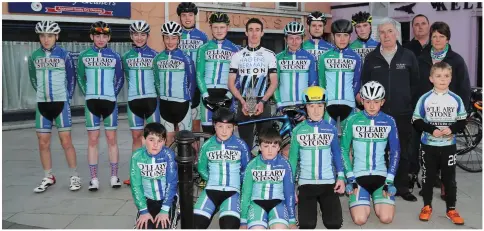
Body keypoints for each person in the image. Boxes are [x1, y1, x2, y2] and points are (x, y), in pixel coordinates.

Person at [361, 17, 419, 202]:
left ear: (396, 34)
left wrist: (411, 107)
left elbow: (415, 84)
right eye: (383, 32)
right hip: (378, 115)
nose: (386, 35)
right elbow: (365, 84)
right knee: (379, 151)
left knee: (401, 151)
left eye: (390, 31)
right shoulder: (371, 58)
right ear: (378, 35)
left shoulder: (408, 56)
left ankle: (402, 187)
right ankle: (380, 186)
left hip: (403, 114)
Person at [416, 22, 471, 198]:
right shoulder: (421, 57)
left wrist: (462, 112)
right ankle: (429, 182)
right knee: (429, 149)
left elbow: (464, 87)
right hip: (428, 112)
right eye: (434, 36)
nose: (437, 39)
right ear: (430, 38)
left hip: (448, 113)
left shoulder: (456, 60)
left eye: (441, 36)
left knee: (447, 152)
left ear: (447, 38)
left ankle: (447, 185)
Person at [412, 62, 467, 225]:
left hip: (449, 146)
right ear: (431, 79)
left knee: (449, 178)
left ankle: (451, 209)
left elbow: (462, 120)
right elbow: (416, 119)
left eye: (446, 76)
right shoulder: (425, 98)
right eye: (438, 76)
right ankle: (427, 207)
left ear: (451, 79)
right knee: (428, 178)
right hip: (429, 146)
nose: (442, 79)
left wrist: (452, 128)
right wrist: (430, 129)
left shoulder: (456, 99)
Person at [29, 20, 81, 192]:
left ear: (56, 36)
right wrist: (43, 95)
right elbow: (34, 79)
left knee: (66, 141)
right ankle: (48, 176)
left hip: (61, 103)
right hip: (42, 104)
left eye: (50, 35)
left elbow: (72, 79)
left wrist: (65, 96)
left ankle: (74, 176)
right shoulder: (34, 56)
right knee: (43, 143)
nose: (46, 39)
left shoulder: (64, 55)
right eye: (42, 36)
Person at [341, 81, 400, 225]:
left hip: (382, 177)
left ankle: (375, 197)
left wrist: (390, 180)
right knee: (360, 220)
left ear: (382, 102)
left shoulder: (389, 121)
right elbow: (343, 149)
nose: (372, 106)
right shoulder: (352, 120)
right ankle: (364, 198)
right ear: (361, 101)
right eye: (367, 101)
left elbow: (395, 151)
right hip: (358, 177)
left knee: (386, 218)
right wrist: (350, 178)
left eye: (376, 101)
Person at [288, 86, 345, 229]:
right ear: (305, 107)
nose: (316, 110)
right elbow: (293, 160)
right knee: (307, 225)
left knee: (334, 224)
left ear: (325, 106)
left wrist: (341, 178)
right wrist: (290, 188)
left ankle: (324, 206)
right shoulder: (298, 131)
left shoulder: (331, 129)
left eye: (320, 106)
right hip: (306, 184)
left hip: (328, 182)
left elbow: (337, 154)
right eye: (311, 106)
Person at [77, 21, 124, 191]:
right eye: (97, 36)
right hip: (91, 103)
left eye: (104, 36)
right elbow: (80, 77)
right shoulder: (84, 55)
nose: (101, 39)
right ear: (92, 37)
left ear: (109, 38)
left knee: (112, 140)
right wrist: (87, 94)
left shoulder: (115, 56)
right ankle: (94, 178)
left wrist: (113, 94)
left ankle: (114, 176)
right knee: (93, 140)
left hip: (110, 102)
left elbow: (120, 78)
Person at [193, 108, 251, 229]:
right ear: (214, 126)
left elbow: (247, 170)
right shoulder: (207, 145)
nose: (224, 131)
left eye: (228, 127)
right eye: (220, 126)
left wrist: (237, 182)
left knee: (229, 226)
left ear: (234, 127)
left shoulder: (241, 145)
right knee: (195, 225)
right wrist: (212, 180)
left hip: (232, 192)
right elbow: (201, 168)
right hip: (211, 191)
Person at [228, 18, 278, 149]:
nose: (254, 33)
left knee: (266, 142)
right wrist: (242, 101)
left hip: (263, 100)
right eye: (250, 30)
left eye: (257, 30)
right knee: (245, 143)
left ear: (262, 33)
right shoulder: (237, 55)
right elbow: (231, 83)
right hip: (246, 98)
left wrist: (262, 102)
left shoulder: (269, 55)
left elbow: (274, 82)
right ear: (246, 32)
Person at [122, 20, 160, 186]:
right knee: (136, 137)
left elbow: (158, 79)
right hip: (133, 100)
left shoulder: (155, 55)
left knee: (155, 138)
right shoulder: (126, 57)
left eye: (142, 34)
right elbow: (127, 77)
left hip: (152, 100)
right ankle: (135, 173)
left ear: (147, 36)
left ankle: (156, 170)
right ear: (131, 36)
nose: (139, 37)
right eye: (136, 34)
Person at [239, 127, 296, 229]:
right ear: (260, 147)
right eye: (266, 146)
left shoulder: (285, 165)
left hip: (278, 203)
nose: (270, 150)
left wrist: (292, 219)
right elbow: (246, 193)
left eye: (274, 146)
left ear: (279, 147)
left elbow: (289, 193)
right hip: (256, 203)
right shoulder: (251, 165)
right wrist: (243, 221)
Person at [153, 21, 196, 146]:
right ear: (163, 38)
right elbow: (157, 81)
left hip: (182, 103)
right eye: (167, 37)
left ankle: (193, 164)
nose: (170, 41)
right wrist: (161, 96)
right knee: (168, 139)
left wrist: (188, 99)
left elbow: (192, 82)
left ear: (179, 39)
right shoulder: (157, 59)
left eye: (173, 38)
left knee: (186, 139)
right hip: (165, 103)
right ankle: (171, 165)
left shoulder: (186, 58)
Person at [196, 12, 239, 134]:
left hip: (226, 94)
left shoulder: (235, 49)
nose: (219, 30)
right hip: (207, 93)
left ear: (227, 27)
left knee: (226, 134)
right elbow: (199, 73)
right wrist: (205, 94)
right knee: (208, 134)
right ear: (210, 27)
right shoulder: (203, 48)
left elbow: (238, 77)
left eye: (222, 27)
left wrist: (230, 95)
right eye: (215, 27)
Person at [130, 123, 178, 229]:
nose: (155, 144)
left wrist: (165, 210)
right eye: (151, 140)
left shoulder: (168, 154)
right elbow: (136, 185)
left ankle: (174, 212)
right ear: (143, 140)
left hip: (167, 199)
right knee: (144, 226)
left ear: (165, 142)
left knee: (163, 226)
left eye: (159, 141)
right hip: (147, 199)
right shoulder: (137, 156)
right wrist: (143, 210)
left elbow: (172, 183)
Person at [405, 14, 432, 193]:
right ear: (412, 28)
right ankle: (411, 174)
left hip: (433, 104)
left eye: (423, 24)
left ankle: (432, 176)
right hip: (412, 104)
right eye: (416, 24)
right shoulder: (406, 49)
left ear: (428, 26)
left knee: (432, 142)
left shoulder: (436, 47)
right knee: (412, 143)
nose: (420, 27)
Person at [318, 19, 361, 129]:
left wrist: (351, 96)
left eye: (345, 35)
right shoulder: (324, 57)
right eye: (338, 35)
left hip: (349, 105)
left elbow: (357, 81)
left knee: (347, 141)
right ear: (333, 36)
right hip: (329, 104)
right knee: (326, 138)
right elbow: (321, 81)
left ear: (350, 37)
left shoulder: (356, 57)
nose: (342, 39)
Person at [177, 2, 209, 134]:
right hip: (180, 85)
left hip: (197, 86)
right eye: (184, 15)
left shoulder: (203, 37)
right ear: (179, 17)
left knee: (196, 126)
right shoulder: (175, 36)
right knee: (180, 125)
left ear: (195, 16)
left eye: (190, 15)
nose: (187, 18)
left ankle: (195, 155)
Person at [275, 21, 318, 110]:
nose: (294, 42)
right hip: (283, 106)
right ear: (286, 39)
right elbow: (274, 84)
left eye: (298, 38)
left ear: (302, 39)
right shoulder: (278, 58)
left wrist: (307, 106)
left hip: (303, 106)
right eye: (291, 38)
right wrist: (279, 103)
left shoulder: (310, 57)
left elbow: (313, 84)